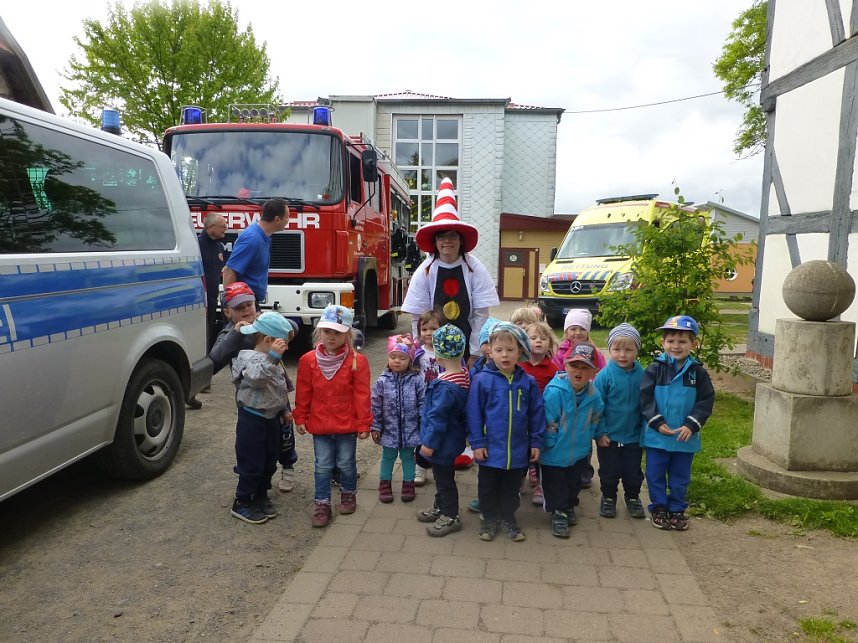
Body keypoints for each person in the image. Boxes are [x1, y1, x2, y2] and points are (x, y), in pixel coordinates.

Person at [401, 178, 499, 365]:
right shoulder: (425, 270)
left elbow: (480, 314)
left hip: (468, 346)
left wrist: (475, 353)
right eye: (442, 237)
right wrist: (420, 350)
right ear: (435, 241)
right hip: (433, 351)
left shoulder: (474, 268)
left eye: (452, 235)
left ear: (460, 239)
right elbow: (418, 317)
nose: (447, 241)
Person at [294, 304, 371, 528]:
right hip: (320, 425)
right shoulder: (308, 360)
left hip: (347, 425)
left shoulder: (357, 361)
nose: (331, 336)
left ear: (347, 333)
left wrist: (364, 422)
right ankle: (322, 503)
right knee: (323, 466)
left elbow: (362, 394)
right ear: (319, 331)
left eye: (337, 332)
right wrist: (300, 416)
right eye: (327, 331)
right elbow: (304, 390)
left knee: (347, 463)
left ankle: (348, 494)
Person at [467, 322, 544, 542]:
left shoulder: (527, 382)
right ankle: (489, 519)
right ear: (490, 352)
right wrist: (478, 443)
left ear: (520, 351)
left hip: (517, 450)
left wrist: (536, 442)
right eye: (499, 350)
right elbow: (474, 413)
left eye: (510, 350)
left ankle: (509, 518)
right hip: (490, 450)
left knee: (512, 489)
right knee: (488, 487)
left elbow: (536, 414)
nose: (505, 355)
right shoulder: (482, 380)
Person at [641, 315, 715, 531]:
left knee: (680, 476)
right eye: (671, 341)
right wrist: (656, 421)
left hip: (684, 438)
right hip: (658, 436)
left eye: (682, 341)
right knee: (654, 473)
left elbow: (706, 400)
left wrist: (691, 425)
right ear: (663, 343)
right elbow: (645, 397)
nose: (676, 346)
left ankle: (677, 508)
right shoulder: (655, 368)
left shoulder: (698, 373)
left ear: (694, 344)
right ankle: (659, 507)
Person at [229, 312, 297, 524]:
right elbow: (257, 379)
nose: (286, 348)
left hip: (272, 418)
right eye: (283, 344)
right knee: (252, 462)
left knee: (269, 460)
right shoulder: (248, 358)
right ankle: (242, 501)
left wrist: (285, 410)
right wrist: (273, 358)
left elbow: (279, 388)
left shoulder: (274, 362)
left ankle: (260, 495)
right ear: (268, 341)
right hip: (252, 420)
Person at [541, 343, 605, 538]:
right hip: (554, 451)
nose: (579, 372)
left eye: (585, 368)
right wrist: (548, 444)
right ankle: (558, 512)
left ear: (594, 372)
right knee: (556, 484)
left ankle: (569, 506)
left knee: (573, 483)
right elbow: (548, 420)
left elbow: (597, 417)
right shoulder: (555, 391)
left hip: (579, 451)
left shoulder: (594, 395)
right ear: (565, 366)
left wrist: (599, 434)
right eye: (574, 366)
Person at [416, 324, 470, 537]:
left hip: (441, 444)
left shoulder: (444, 387)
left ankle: (450, 515)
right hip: (453, 438)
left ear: (437, 356)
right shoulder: (464, 374)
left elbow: (437, 419)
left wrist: (428, 444)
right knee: (442, 478)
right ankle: (441, 507)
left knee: (444, 479)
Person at [593, 323, 646, 519]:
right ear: (609, 350)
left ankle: (633, 497)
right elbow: (597, 407)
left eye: (628, 350)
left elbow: (647, 405)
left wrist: (645, 431)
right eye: (616, 349)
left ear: (637, 350)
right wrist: (599, 432)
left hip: (633, 436)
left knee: (633, 472)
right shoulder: (605, 376)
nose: (622, 354)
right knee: (609, 471)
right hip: (609, 437)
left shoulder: (643, 375)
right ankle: (608, 497)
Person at [551, 308, 607, 488]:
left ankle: (584, 471)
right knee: (567, 433)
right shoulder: (561, 352)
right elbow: (557, 371)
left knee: (584, 436)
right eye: (573, 328)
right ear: (566, 330)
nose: (577, 332)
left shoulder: (595, 352)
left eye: (582, 328)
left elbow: (601, 370)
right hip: (566, 395)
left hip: (587, 396)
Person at [371, 334, 425, 503]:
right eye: (393, 357)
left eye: (402, 358)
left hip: (411, 429)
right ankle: (384, 483)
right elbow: (375, 405)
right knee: (388, 457)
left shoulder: (417, 380)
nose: (397, 361)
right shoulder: (382, 381)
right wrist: (375, 426)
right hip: (389, 430)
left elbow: (423, 403)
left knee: (408, 457)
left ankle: (408, 483)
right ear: (388, 358)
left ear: (410, 360)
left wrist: (423, 426)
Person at [187, 212, 227, 410]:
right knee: (198, 338)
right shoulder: (195, 246)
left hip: (211, 301)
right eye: (222, 226)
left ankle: (203, 380)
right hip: (197, 301)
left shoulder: (219, 247)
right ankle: (196, 382)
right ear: (210, 228)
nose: (225, 229)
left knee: (209, 335)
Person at [519, 320, 561, 506]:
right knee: (520, 449)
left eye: (543, 339)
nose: (538, 342)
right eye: (533, 338)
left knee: (541, 450)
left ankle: (540, 486)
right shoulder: (519, 366)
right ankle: (517, 482)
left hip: (543, 417)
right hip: (521, 416)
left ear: (550, 344)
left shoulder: (554, 370)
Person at [222, 198, 288, 303]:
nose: (288, 220)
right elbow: (229, 271)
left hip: (248, 300)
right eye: (287, 217)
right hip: (243, 303)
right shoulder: (252, 239)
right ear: (277, 219)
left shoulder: (262, 236)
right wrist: (230, 304)